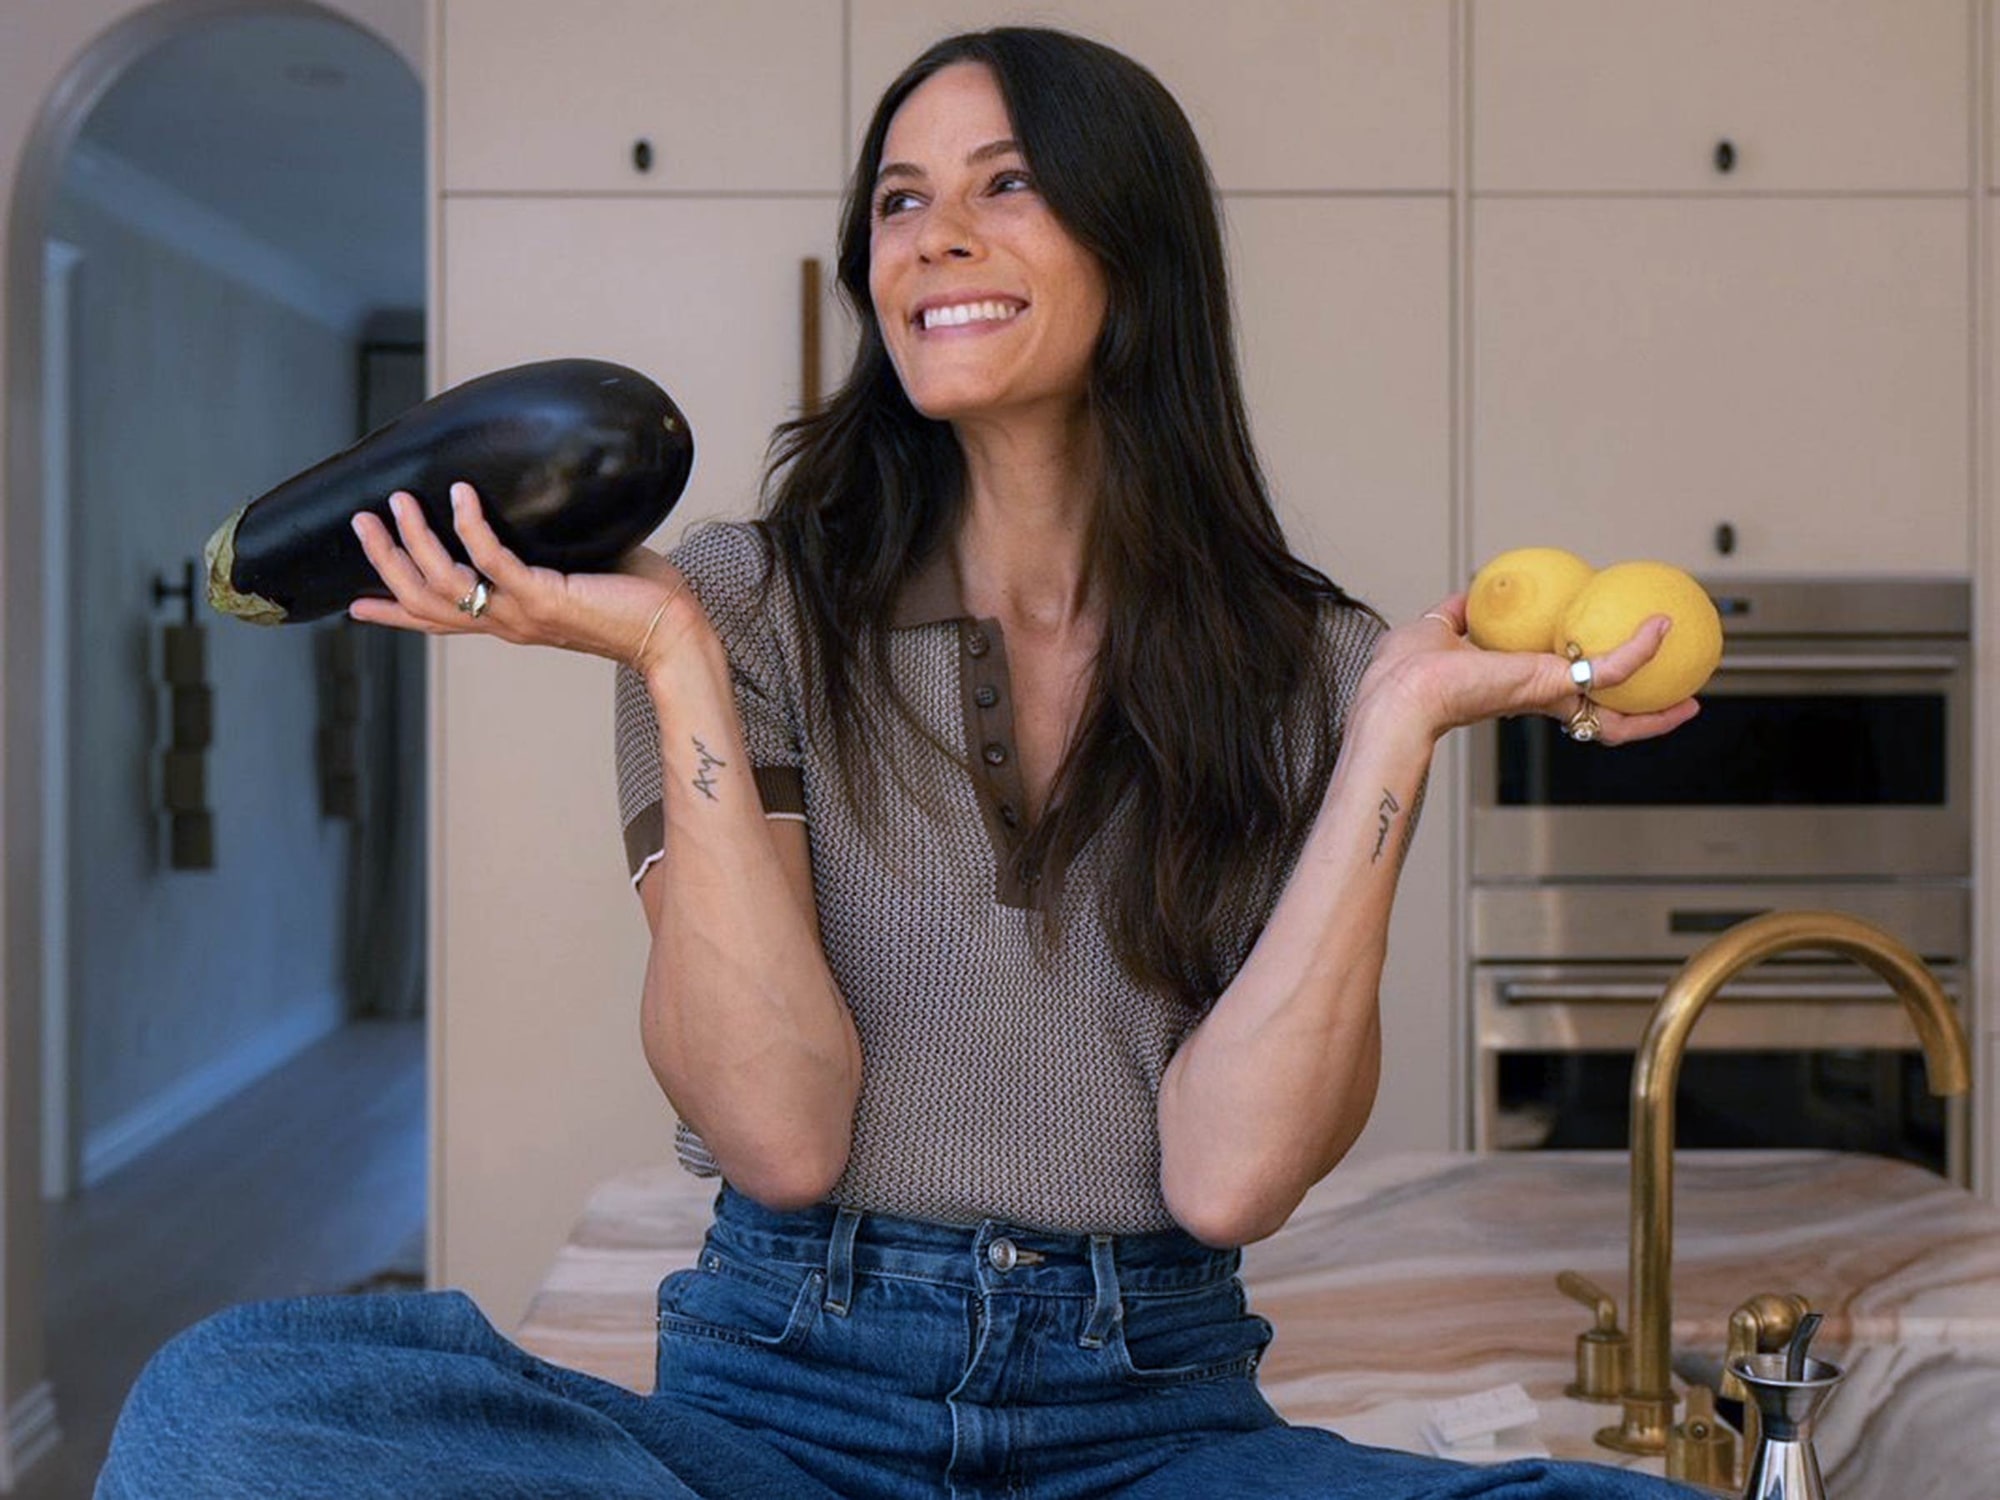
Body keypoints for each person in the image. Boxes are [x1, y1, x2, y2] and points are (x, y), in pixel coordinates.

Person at [99, 27, 1705, 1500]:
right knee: (229, 1409)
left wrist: (1396, 734)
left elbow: (1230, 1178)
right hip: (781, 1419)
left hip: (1152, 1433)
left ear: (1133, 245)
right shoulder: (733, 605)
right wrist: (676, 668)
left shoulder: (1314, 672)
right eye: (897, 201)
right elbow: (780, 1132)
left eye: (1007, 185)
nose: (931, 236)